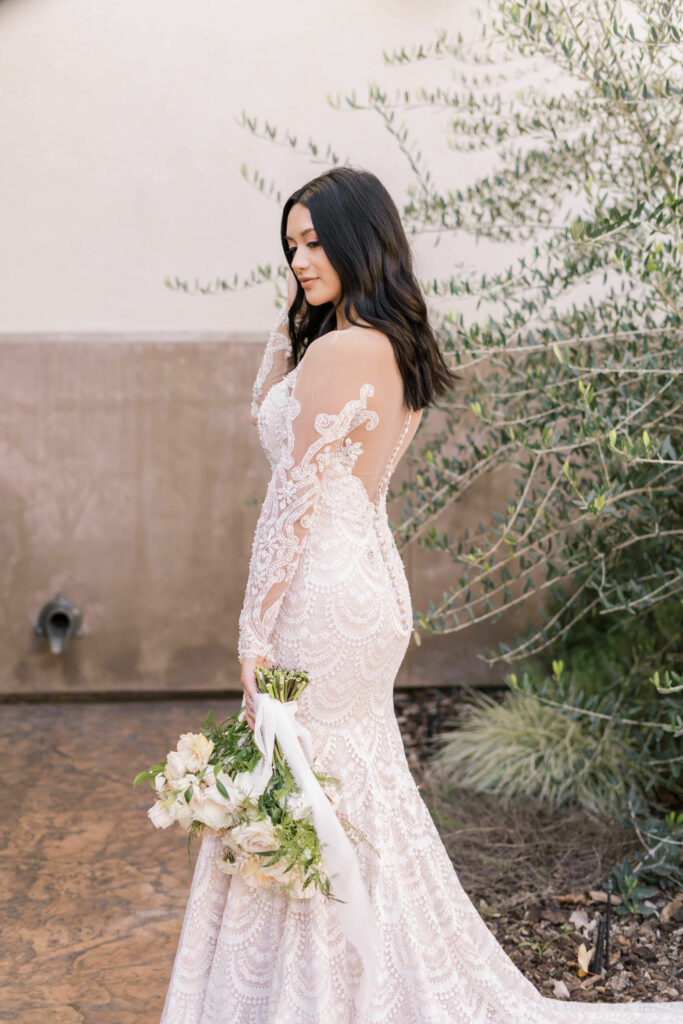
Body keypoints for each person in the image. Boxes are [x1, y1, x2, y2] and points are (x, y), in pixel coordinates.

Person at [159, 168, 682, 1023]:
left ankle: (319, 995)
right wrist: (291, 324)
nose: (298, 258)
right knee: (346, 785)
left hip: (320, 592)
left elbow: (287, 507)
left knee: (301, 780)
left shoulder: (338, 352)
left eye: (316, 240)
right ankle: (362, 977)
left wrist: (250, 634)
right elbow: (277, 423)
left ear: (358, 238)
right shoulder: (383, 345)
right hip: (365, 580)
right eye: (290, 244)